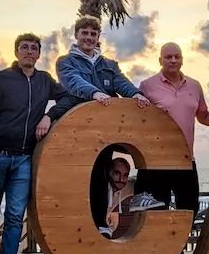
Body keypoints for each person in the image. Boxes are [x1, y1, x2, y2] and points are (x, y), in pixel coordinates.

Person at [0, 34, 71, 254]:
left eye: (34, 48)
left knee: (15, 217)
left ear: (39, 54)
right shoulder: (1, 79)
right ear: (17, 51)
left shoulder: (44, 81)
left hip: (25, 159)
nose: (29, 52)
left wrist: (48, 116)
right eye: (24, 47)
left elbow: (67, 99)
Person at [138, 42, 209, 254]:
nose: (172, 60)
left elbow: (203, 115)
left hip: (186, 160)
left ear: (182, 59)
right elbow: (139, 121)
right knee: (156, 212)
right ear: (160, 60)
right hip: (155, 162)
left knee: (188, 210)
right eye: (168, 57)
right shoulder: (147, 86)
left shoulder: (194, 86)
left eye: (176, 56)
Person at [54, 16, 157, 238]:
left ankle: (101, 223)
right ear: (77, 35)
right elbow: (72, 81)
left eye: (93, 34)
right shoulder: (65, 62)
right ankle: (76, 226)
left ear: (98, 37)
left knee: (101, 173)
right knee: (81, 176)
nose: (89, 38)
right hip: (79, 130)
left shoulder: (109, 65)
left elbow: (122, 83)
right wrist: (94, 93)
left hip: (105, 132)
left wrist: (137, 95)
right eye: (85, 33)